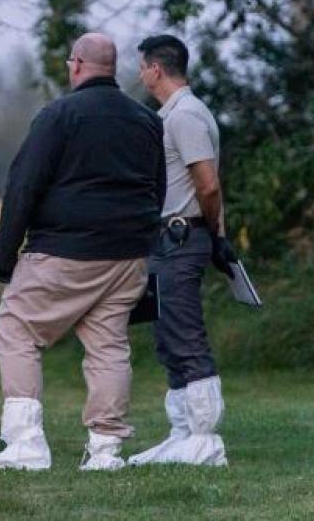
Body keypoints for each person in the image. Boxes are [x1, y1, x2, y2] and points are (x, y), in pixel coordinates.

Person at [0, 33, 164, 472]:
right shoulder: (146, 120)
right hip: (128, 254)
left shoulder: (59, 115)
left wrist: (5, 258)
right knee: (108, 345)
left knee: (16, 329)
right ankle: (105, 450)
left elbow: (23, 185)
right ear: (113, 68)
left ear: (75, 65)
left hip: (65, 250)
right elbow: (159, 185)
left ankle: (25, 444)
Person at [128, 34, 230, 467]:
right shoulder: (170, 115)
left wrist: (215, 233)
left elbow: (207, 183)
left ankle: (205, 439)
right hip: (168, 239)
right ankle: (182, 433)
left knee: (185, 336)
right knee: (168, 336)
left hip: (183, 236)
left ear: (155, 69)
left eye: (142, 66)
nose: (139, 74)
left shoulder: (185, 116)